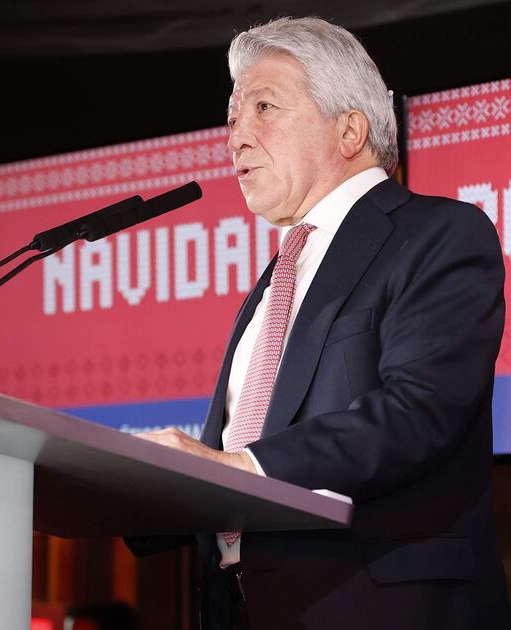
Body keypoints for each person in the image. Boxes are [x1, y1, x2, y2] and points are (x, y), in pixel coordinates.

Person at [129, 16, 511, 630]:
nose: (237, 137)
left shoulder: (439, 234)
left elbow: (420, 411)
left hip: (380, 607)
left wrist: (239, 468)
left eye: (264, 107)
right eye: (232, 117)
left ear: (350, 129)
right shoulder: (276, 278)